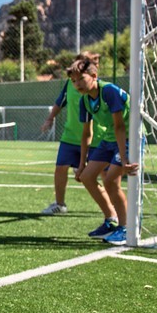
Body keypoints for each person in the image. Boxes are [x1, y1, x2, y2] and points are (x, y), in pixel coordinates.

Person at [70, 55, 139, 245]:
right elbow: (86, 134)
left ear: (94, 75)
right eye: (73, 81)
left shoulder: (109, 91)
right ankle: (111, 219)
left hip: (128, 137)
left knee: (110, 181)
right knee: (86, 177)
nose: (77, 84)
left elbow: (120, 126)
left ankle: (126, 228)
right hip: (109, 140)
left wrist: (125, 158)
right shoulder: (84, 101)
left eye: (81, 79)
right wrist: (82, 163)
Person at [39, 54, 95, 215]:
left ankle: (112, 211)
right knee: (60, 168)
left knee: (101, 174)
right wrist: (49, 119)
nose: (76, 83)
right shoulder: (69, 85)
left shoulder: (99, 89)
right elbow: (59, 102)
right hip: (70, 136)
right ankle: (60, 204)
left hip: (93, 138)